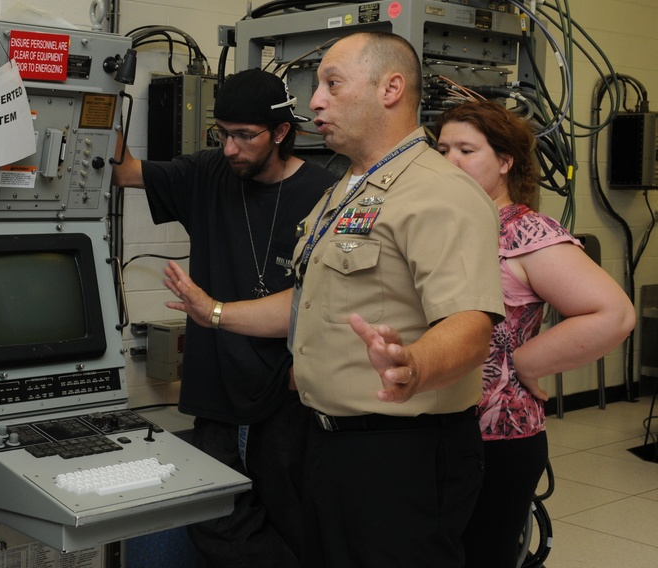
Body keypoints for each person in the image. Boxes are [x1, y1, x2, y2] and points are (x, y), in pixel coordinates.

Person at [163, 31, 505, 567]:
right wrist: (215, 314)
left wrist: (413, 364)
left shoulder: (439, 193)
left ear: (390, 88)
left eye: (332, 84)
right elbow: (308, 301)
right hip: (328, 442)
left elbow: (470, 324)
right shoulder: (346, 190)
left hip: (400, 451)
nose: (315, 100)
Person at [112, 68, 341, 566]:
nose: (231, 148)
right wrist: (97, 100)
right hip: (218, 387)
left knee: (292, 516)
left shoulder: (328, 196)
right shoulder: (208, 173)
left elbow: (324, 306)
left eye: (244, 136)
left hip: (286, 395)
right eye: (222, 134)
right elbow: (124, 171)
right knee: (217, 518)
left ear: (281, 132)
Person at [433, 100, 635, 568]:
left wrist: (527, 362)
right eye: (442, 150)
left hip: (497, 439)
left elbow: (613, 314)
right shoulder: (447, 226)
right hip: (436, 430)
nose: (450, 162)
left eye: (466, 149)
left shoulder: (525, 231)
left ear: (505, 162)